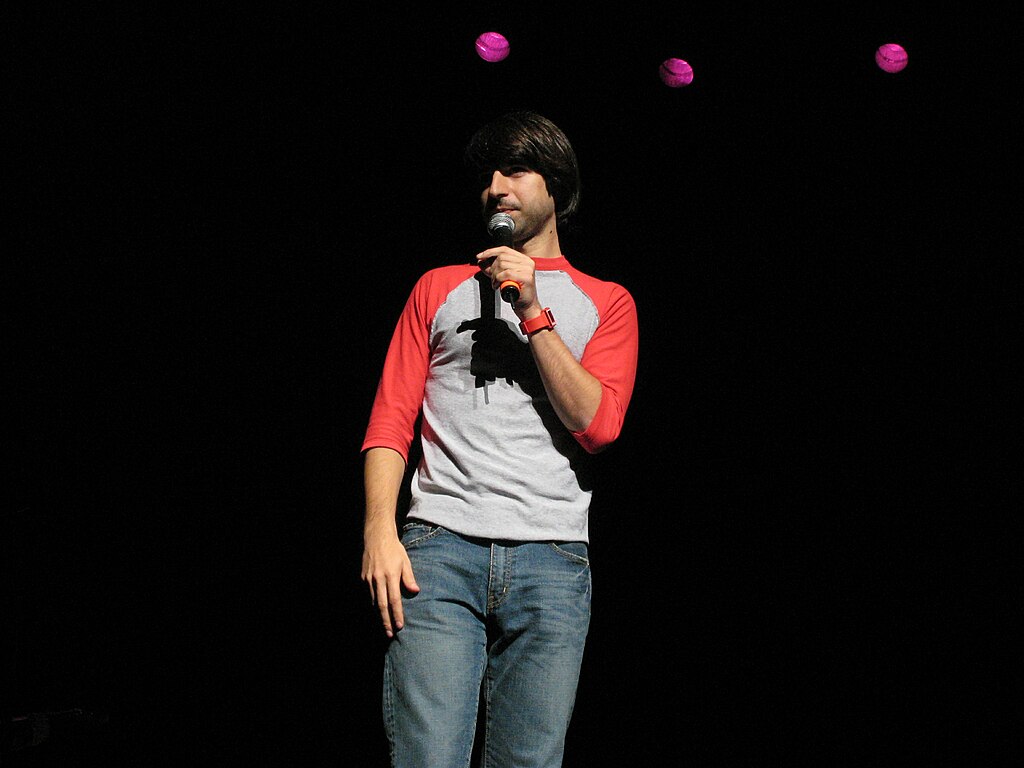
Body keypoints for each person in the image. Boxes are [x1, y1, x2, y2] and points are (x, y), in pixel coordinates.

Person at [360, 110, 639, 768]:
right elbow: (391, 417)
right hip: (437, 553)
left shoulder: (609, 301)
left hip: (553, 559)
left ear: (555, 185)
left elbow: (598, 427)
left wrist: (532, 311)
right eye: (487, 175)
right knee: (427, 756)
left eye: (515, 170)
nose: (496, 186)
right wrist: (379, 530)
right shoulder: (437, 287)